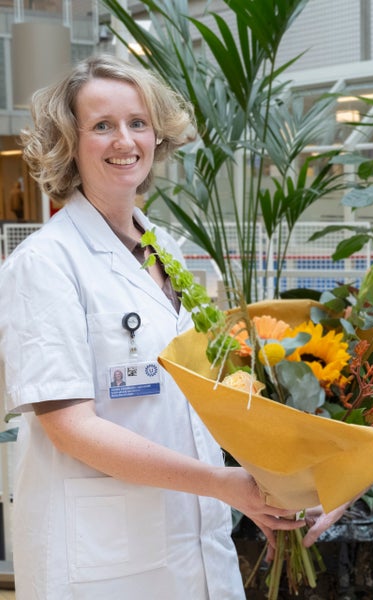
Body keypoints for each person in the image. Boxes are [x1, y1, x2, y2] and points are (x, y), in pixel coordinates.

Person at [0, 54, 301, 600]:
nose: (125, 140)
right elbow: (70, 425)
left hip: (196, 537)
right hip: (103, 557)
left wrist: (269, 481)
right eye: (102, 126)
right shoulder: (46, 263)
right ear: (71, 141)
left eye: (137, 122)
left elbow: (195, 398)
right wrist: (225, 486)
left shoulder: (166, 250)